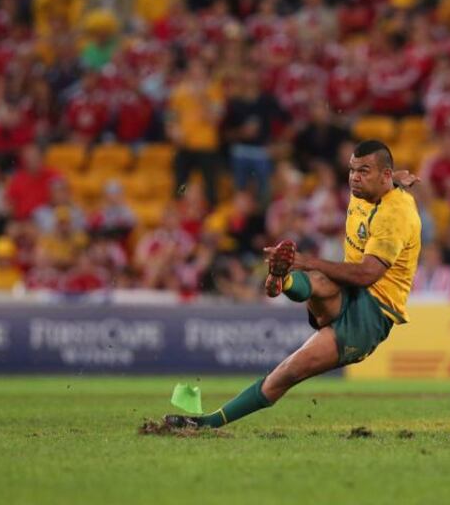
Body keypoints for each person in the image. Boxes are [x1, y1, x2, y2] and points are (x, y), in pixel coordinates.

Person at [164, 141, 421, 429]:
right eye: (351, 170)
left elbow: (366, 275)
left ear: (383, 176)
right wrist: (395, 177)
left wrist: (306, 261)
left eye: (363, 171)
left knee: (288, 371)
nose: (354, 178)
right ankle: (282, 280)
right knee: (321, 281)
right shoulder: (367, 190)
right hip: (346, 290)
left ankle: (207, 423)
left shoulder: (396, 216)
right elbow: (383, 181)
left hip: (373, 312)